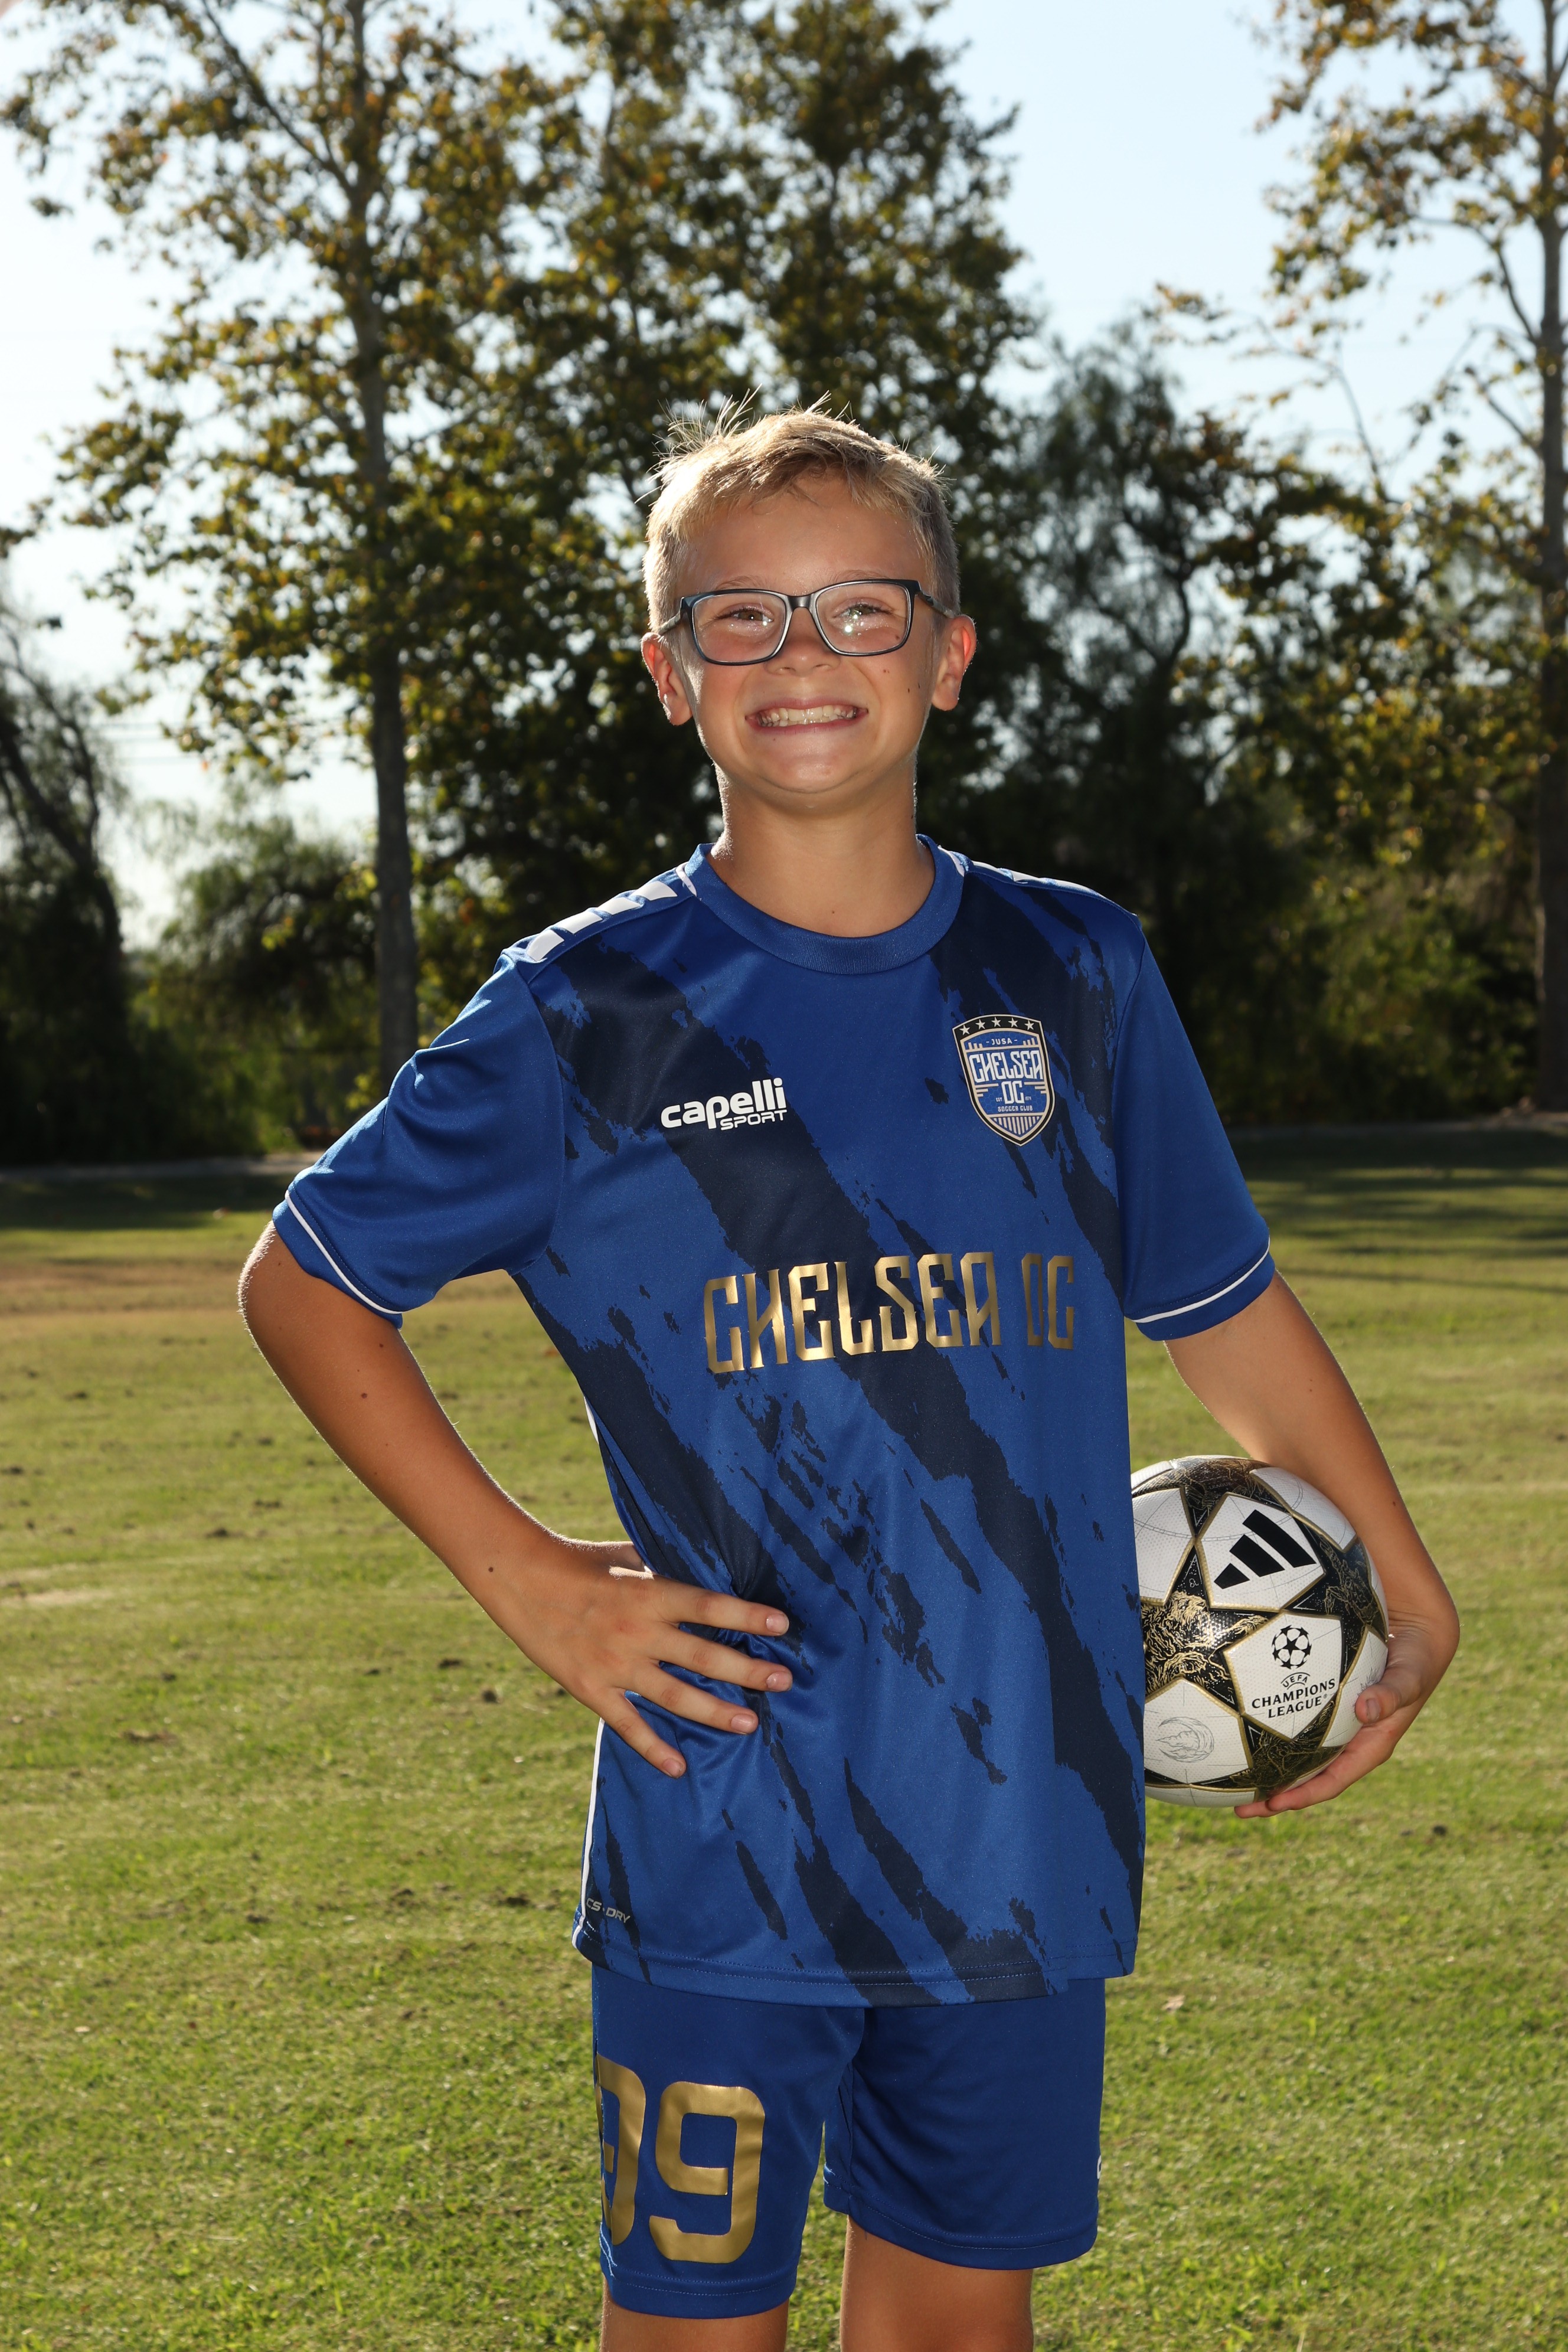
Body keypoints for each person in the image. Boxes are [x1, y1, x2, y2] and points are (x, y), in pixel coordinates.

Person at [239, 408, 1460, 2352]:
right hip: (728, 1823)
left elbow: (1218, 1303)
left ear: (949, 652)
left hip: (1028, 1833)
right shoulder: (586, 1011)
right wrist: (533, 1582)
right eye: (741, 617)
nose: (802, 655)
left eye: (860, 610)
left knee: (957, 2330)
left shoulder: (1076, 974)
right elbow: (307, 1283)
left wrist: (1399, 1566)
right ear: (671, 673)